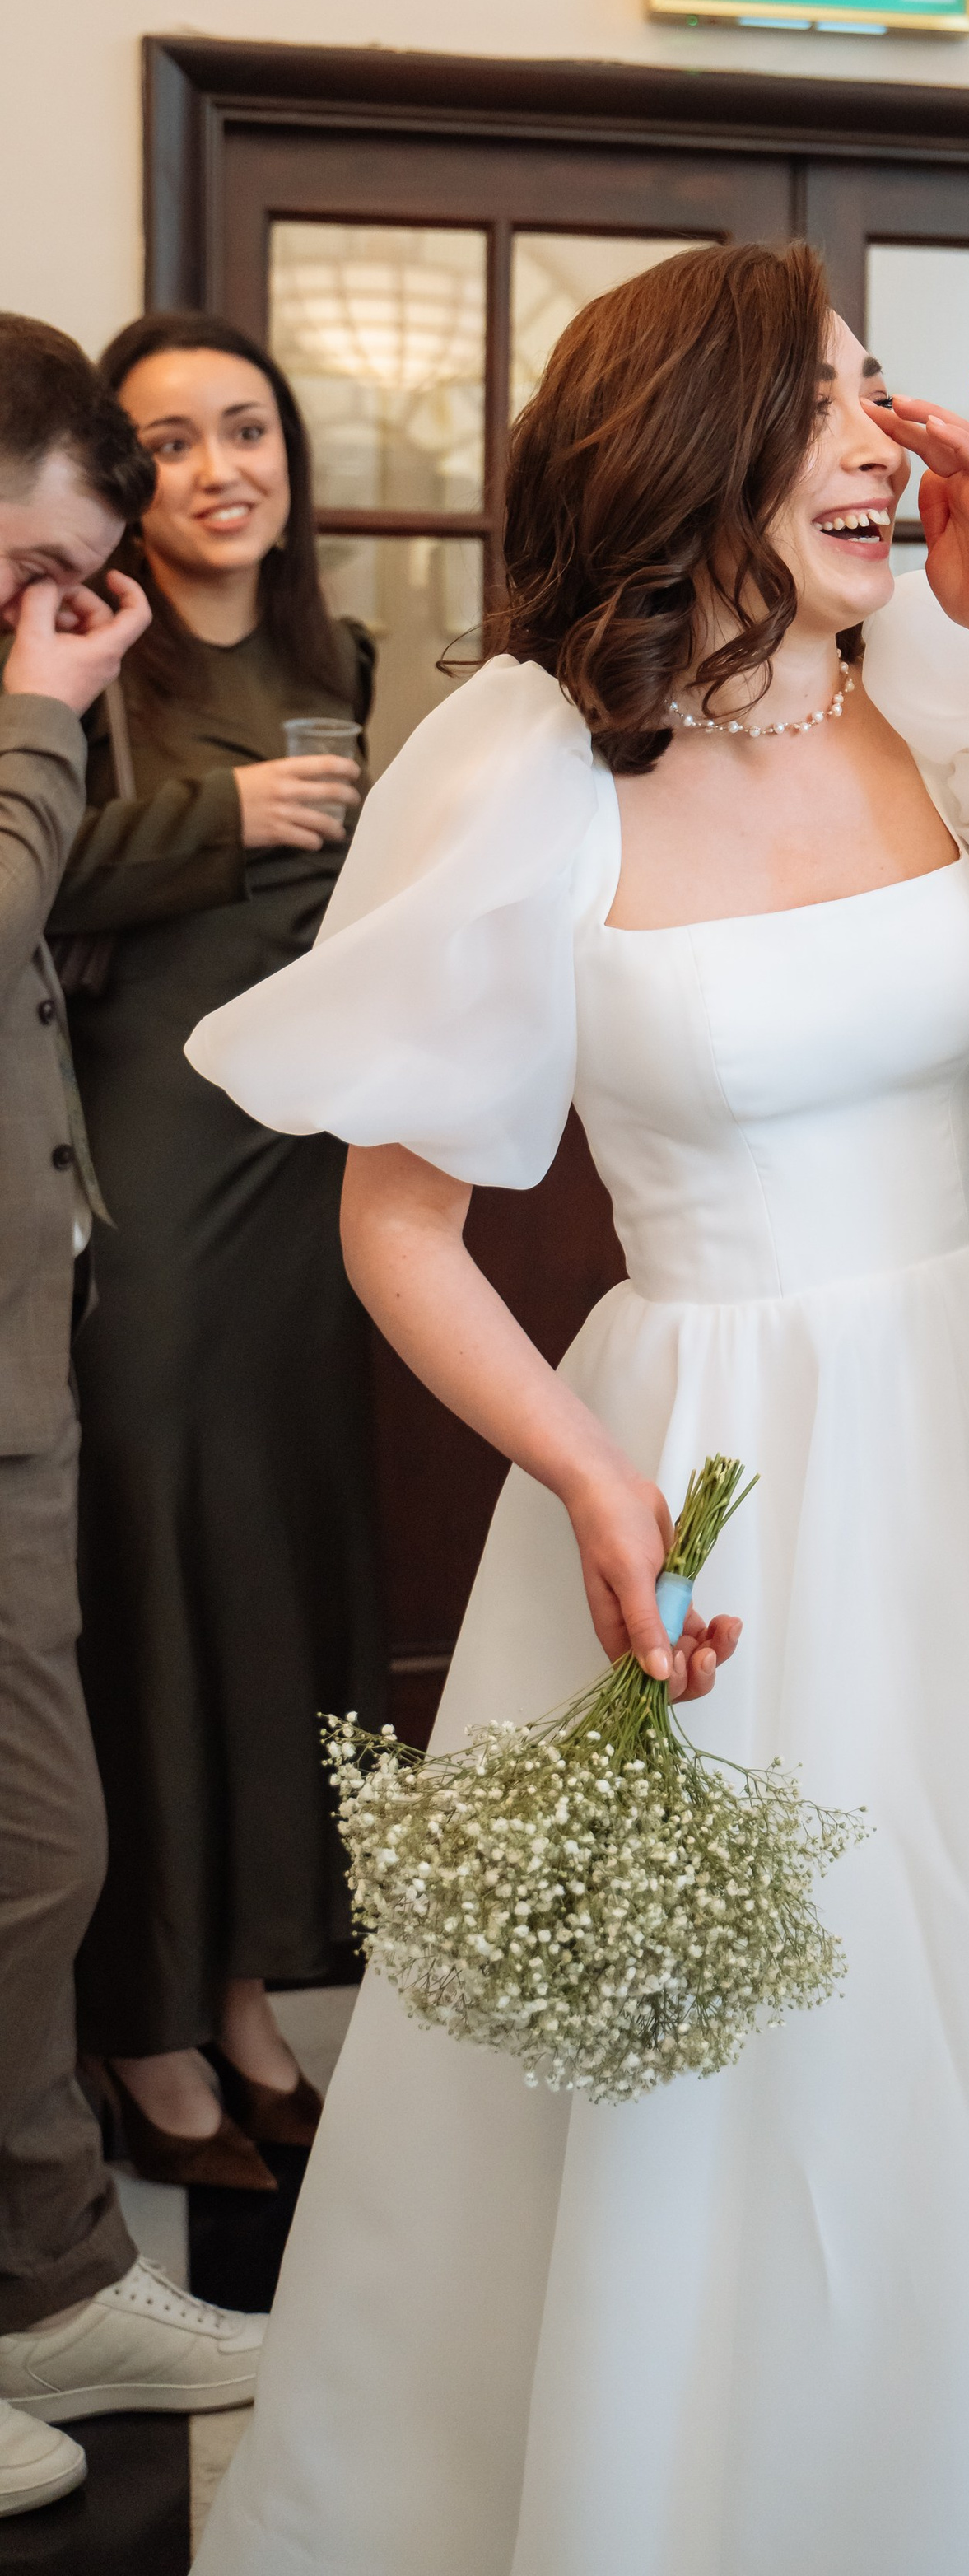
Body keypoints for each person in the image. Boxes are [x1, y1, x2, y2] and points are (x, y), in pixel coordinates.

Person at [184, 243, 969, 2574]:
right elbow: (397, 1227)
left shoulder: (927, 689)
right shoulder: (535, 765)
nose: (892, 444)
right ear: (697, 454)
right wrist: (583, 1474)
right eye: (837, 409)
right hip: (712, 1448)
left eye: (883, 402)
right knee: (772, 2037)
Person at [45, 313, 384, 2192]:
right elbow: (37, 868)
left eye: (246, 430)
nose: (220, 468)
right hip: (156, 1185)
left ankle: (257, 1988)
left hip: (312, 1187)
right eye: (171, 444)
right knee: (159, 1590)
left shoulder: (339, 657)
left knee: (281, 1587)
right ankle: (146, 2029)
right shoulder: (91, 659)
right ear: (122, 482)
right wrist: (218, 817)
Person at [0, 317, 264, 2518]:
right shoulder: (35, 736)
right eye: (16, 574)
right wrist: (41, 724)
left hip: (19, 1349)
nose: (48, 622)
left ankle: (56, 2274)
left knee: (42, 1854)